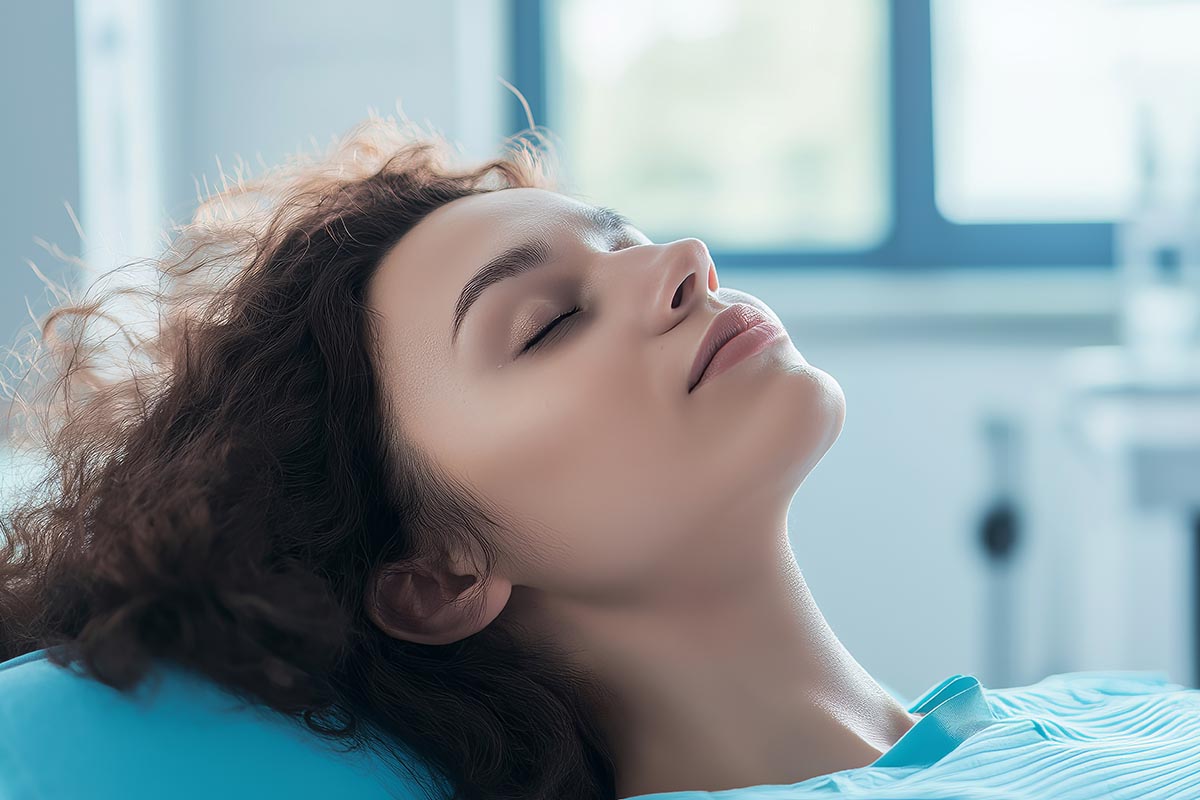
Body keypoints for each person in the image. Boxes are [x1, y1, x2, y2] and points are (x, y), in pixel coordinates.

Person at [1, 114, 1198, 800]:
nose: (684, 257)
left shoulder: (1113, 707)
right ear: (437, 571)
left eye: (620, 237)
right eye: (551, 321)